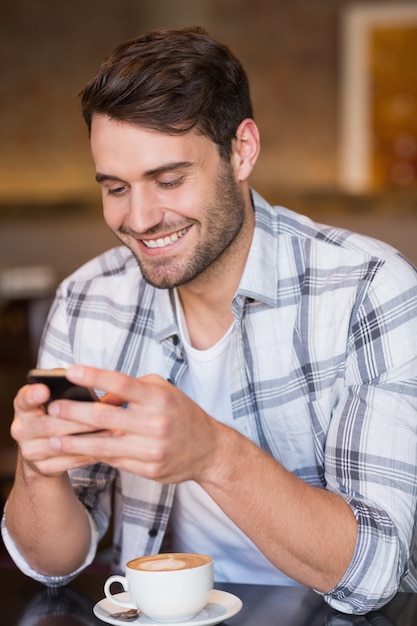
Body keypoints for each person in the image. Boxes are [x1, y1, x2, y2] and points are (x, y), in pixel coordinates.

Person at [2, 26, 417, 616]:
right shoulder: (88, 298)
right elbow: (53, 564)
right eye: (115, 187)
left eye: (169, 180)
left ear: (242, 150)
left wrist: (213, 455)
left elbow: (375, 571)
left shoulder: (369, 288)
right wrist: (38, 470)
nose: (140, 218)